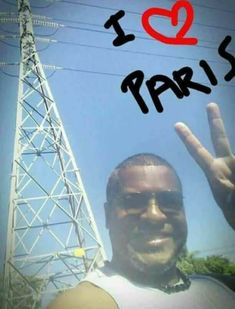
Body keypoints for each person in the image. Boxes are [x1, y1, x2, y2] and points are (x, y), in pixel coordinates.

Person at [48, 103, 235, 308]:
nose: (154, 215)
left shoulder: (222, 286)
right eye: (133, 202)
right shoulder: (86, 302)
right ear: (108, 215)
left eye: (169, 201)